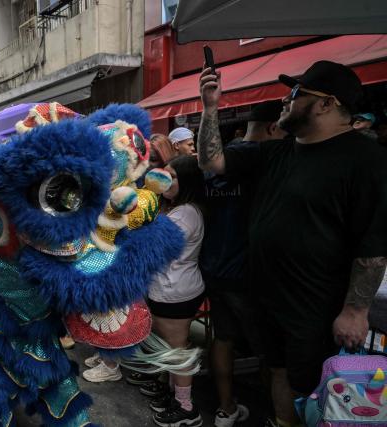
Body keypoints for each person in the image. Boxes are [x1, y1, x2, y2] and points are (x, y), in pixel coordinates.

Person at [197, 60, 387, 427]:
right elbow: (211, 160)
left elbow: (373, 243)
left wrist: (355, 311)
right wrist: (209, 108)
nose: (286, 99)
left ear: (327, 104)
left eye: (297, 92)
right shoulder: (276, 152)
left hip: (317, 307)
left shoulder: (367, 160)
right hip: (267, 298)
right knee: (280, 372)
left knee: (313, 388)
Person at [200, 100, 287, 427]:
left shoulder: (213, 157)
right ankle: (276, 415)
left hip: (213, 267)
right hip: (247, 274)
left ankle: (225, 408)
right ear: (272, 128)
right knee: (271, 354)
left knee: (223, 338)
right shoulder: (263, 161)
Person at [141, 155, 206, 427]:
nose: (165, 180)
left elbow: (154, 249)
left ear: (187, 181)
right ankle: (174, 395)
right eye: (164, 174)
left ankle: (186, 407)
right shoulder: (175, 209)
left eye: (173, 177)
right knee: (171, 349)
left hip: (175, 292)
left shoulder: (185, 214)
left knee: (178, 352)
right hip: (169, 289)